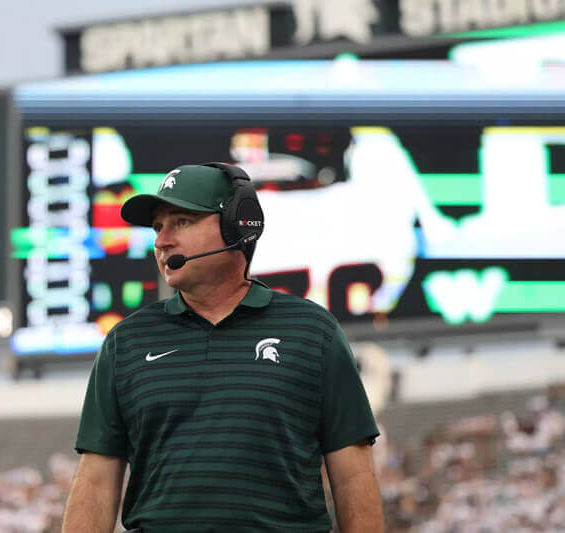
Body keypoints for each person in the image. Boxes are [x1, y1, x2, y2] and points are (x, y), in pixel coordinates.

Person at [62, 163, 383, 532]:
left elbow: (352, 476)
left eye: (181, 222)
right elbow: (96, 482)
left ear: (238, 225)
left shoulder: (313, 332)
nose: (161, 241)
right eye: (157, 227)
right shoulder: (126, 342)